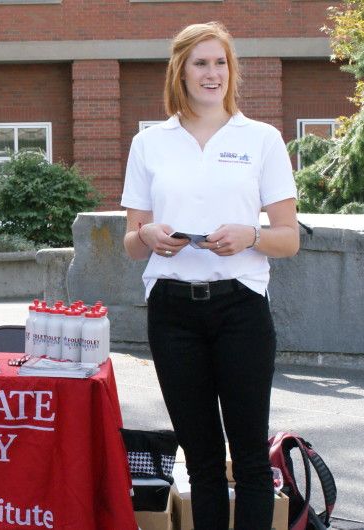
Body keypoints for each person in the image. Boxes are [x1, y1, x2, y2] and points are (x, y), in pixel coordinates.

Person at [121, 22, 299, 530]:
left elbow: (289, 237)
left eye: (220, 62)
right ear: (180, 69)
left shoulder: (261, 139)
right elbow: (133, 245)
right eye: (200, 62)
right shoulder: (150, 143)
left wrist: (251, 235)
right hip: (172, 312)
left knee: (249, 460)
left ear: (231, 69)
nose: (212, 73)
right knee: (200, 461)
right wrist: (150, 235)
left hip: (241, 306)